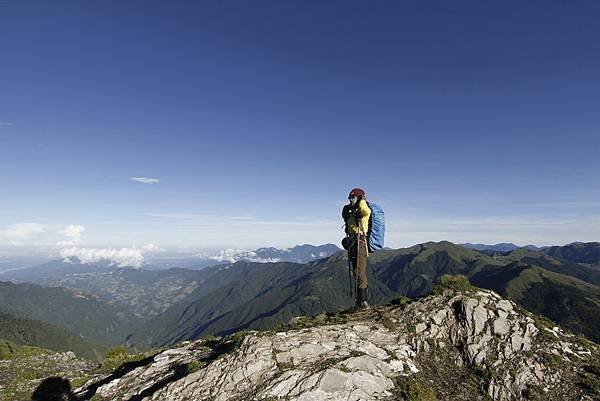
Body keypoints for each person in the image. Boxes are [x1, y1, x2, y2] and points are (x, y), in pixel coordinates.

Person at [341, 187, 371, 309]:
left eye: (353, 197)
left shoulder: (363, 209)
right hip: (354, 242)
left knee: (360, 272)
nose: (350, 200)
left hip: (360, 241)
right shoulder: (351, 210)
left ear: (359, 198)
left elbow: (366, 212)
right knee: (356, 271)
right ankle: (360, 301)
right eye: (350, 197)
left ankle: (362, 302)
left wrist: (362, 201)